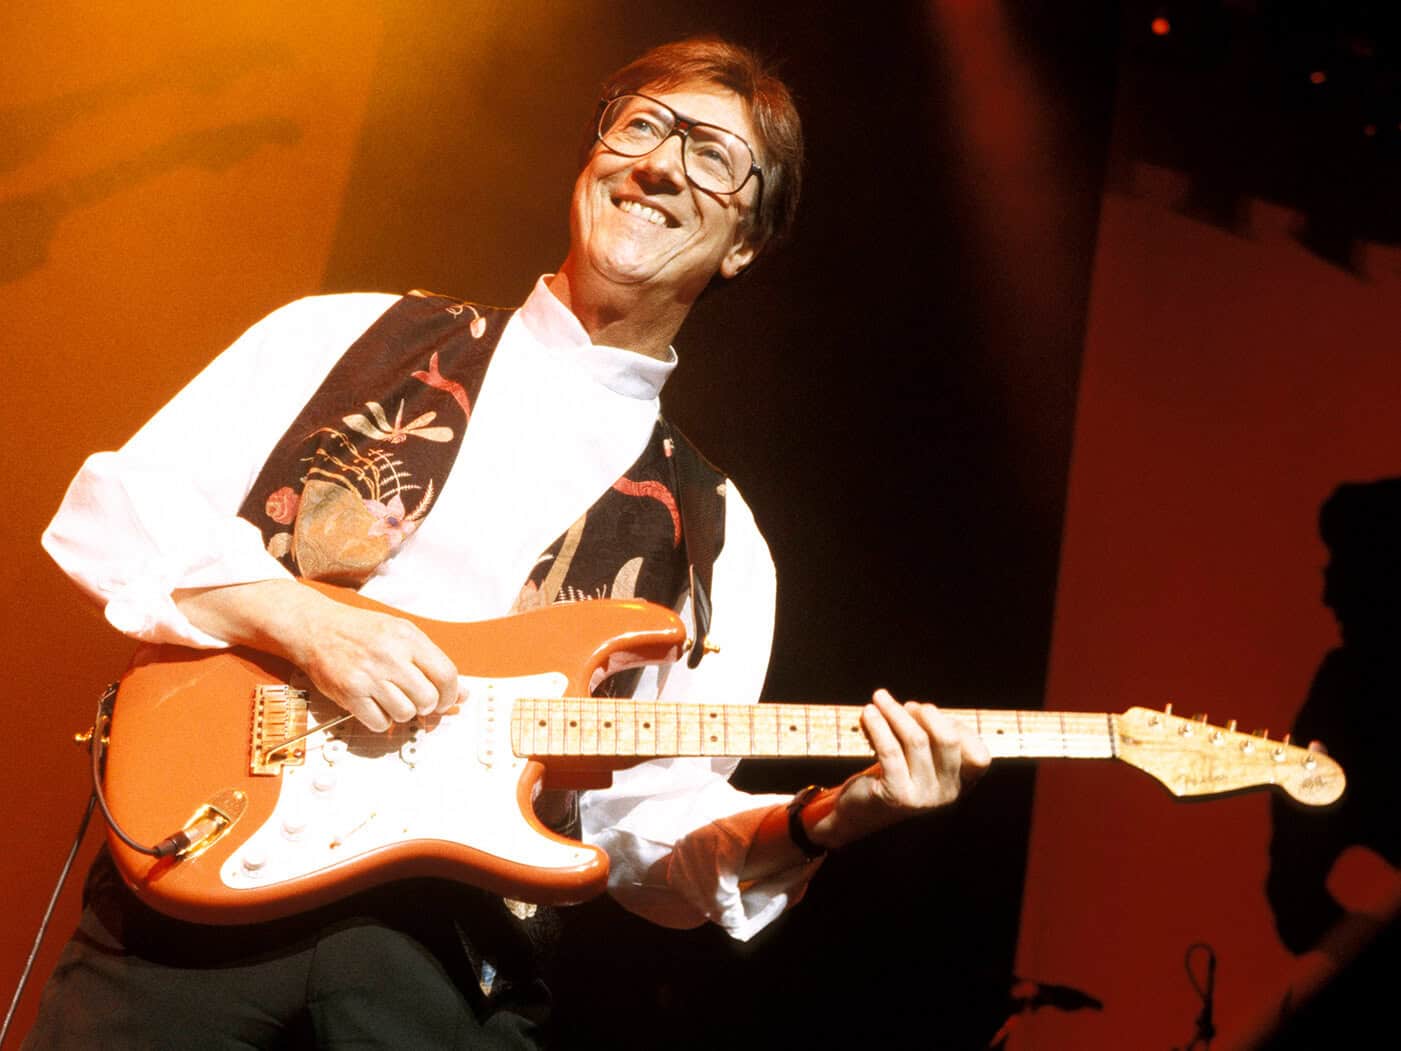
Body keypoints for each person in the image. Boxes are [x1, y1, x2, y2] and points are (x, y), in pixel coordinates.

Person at [27, 37, 990, 1049]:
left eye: (712, 155)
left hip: (443, 979)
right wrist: (302, 620)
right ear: (593, 161)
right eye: (641, 126)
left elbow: (649, 834)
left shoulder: (717, 537)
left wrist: (831, 817)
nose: (660, 165)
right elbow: (111, 510)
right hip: (191, 915)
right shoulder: (346, 335)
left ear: (745, 242)